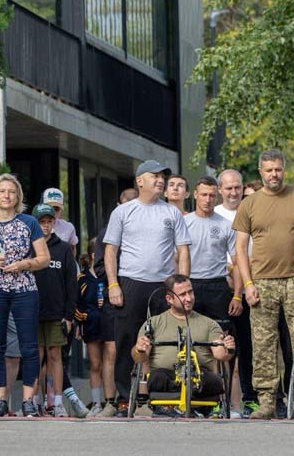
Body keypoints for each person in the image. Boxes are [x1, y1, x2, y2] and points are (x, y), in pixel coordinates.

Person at [233, 149, 294, 419]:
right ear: (260, 172)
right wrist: (248, 283)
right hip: (262, 282)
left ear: (284, 169)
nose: (274, 174)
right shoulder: (249, 204)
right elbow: (239, 248)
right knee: (263, 344)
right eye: (269, 170)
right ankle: (267, 402)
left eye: (278, 169)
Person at [104, 160, 191, 412]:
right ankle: (123, 397)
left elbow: (183, 251)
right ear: (139, 180)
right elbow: (111, 251)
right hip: (130, 283)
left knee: (164, 341)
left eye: (163, 176)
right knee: (126, 340)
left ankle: (161, 398)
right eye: (155, 176)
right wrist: (113, 285)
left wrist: (181, 288)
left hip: (163, 285)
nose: (160, 180)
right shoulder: (123, 212)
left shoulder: (172, 212)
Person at [0, 173, 51, 418]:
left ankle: (28, 400)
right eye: (2, 191)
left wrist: (24, 264)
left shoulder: (29, 222)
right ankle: (0, 400)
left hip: (24, 289)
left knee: (29, 346)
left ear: (18, 197)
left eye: (11, 191)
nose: (6, 195)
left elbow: (44, 258)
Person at [131, 275, 236, 416]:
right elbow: (139, 358)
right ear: (169, 299)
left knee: (213, 380)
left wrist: (228, 348)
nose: (189, 298)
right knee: (157, 377)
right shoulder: (154, 323)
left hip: (199, 378)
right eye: (182, 295)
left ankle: (185, 408)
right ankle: (176, 408)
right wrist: (139, 349)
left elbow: (221, 355)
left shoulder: (209, 324)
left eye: (190, 292)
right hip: (167, 379)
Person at [213, 169, 258, 418]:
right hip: (224, 289)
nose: (233, 192)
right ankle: (221, 400)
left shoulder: (252, 212)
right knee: (224, 347)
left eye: (237, 188)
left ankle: (249, 399)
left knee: (249, 348)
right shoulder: (216, 215)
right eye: (228, 188)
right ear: (220, 189)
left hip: (251, 287)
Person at [90, 187, 136, 417]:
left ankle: (141, 398)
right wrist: (115, 283)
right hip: (114, 296)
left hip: (141, 294)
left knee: (141, 348)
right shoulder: (107, 232)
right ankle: (111, 400)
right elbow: (98, 266)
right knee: (112, 349)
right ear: (119, 207)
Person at [32, 204, 79, 417]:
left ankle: (57, 402)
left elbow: (72, 283)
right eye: (41, 221)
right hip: (31, 311)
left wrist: (69, 315)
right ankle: (33, 400)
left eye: (49, 221)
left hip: (57, 312)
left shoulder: (63, 249)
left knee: (55, 355)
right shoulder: (28, 246)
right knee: (35, 356)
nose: (45, 225)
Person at [185, 176, 237, 324]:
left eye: (212, 195)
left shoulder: (227, 225)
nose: (208, 199)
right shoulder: (183, 223)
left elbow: (237, 262)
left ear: (217, 197)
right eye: (204, 195)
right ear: (195, 194)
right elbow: (174, 258)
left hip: (218, 286)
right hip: (190, 283)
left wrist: (237, 296)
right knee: (190, 335)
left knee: (221, 336)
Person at [75, 238, 113, 417]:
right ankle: (97, 402)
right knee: (95, 364)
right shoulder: (82, 278)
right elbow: (76, 303)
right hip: (91, 325)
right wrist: (81, 320)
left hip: (109, 323)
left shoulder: (111, 277)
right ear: (93, 255)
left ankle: (110, 401)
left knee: (110, 362)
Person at [41, 187, 79, 257]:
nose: (53, 212)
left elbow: (72, 248)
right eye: (50, 208)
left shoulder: (68, 227)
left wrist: (71, 264)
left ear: (61, 209)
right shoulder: (34, 225)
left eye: (56, 209)